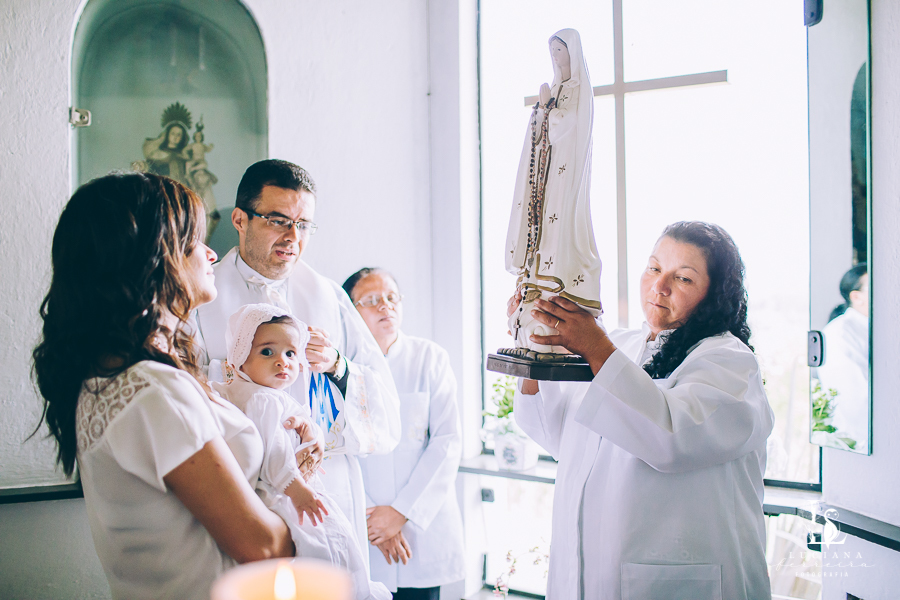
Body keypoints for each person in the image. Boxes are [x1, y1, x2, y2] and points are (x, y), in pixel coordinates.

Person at [32, 173, 298, 600]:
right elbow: (261, 546)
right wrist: (318, 519)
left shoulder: (105, 377)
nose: (211, 254)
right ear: (156, 259)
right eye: (195, 243)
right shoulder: (156, 391)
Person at [512, 221, 774, 599]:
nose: (659, 286)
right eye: (654, 268)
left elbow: (671, 438)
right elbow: (561, 437)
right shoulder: (621, 346)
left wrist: (595, 346)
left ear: (715, 294)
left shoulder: (730, 362)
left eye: (683, 278)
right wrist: (532, 343)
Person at [195, 159, 402, 564]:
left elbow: (385, 404)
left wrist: (338, 366)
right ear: (240, 219)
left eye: (304, 224)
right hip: (244, 492)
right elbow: (183, 394)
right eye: (278, 220)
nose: (293, 236)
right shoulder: (203, 295)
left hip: (328, 487)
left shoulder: (329, 297)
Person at [212, 303, 390, 600]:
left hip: (277, 489)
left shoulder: (249, 393)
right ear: (240, 358)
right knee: (327, 551)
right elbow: (276, 455)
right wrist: (299, 491)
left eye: (291, 354)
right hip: (285, 493)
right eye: (267, 352)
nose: (282, 362)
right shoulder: (266, 400)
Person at [343, 268, 465, 600]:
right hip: (363, 530)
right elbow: (336, 447)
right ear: (349, 311)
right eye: (371, 300)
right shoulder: (340, 366)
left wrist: (400, 513)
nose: (385, 306)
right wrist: (374, 521)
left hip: (418, 533)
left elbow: (447, 441)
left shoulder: (430, 359)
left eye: (391, 297)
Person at [505, 28, 601, 352]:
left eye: (561, 52)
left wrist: (550, 112)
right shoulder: (558, 87)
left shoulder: (579, 91)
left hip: (565, 175)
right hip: (547, 176)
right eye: (554, 53)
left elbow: (572, 128)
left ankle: (557, 291)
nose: (557, 58)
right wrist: (540, 113)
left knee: (560, 226)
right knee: (542, 224)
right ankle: (533, 289)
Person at [816, 263, 869, 452]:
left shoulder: (875, 328)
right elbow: (857, 399)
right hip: (861, 445)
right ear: (856, 296)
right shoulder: (840, 334)